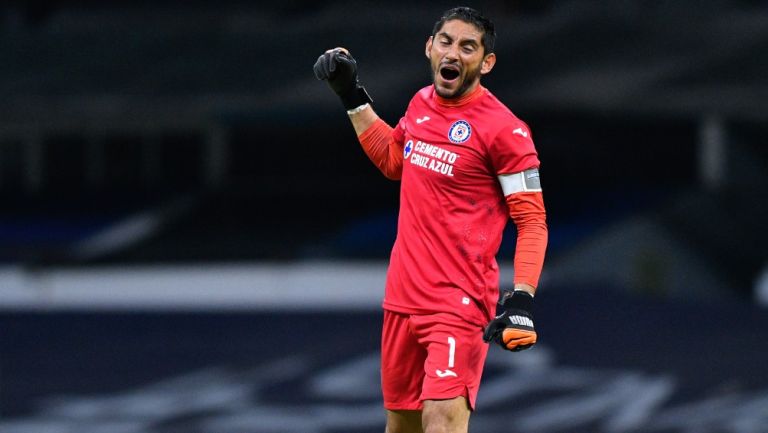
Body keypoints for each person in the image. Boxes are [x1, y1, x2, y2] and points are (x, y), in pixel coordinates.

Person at [314, 6, 547, 433]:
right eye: (446, 41)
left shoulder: (506, 131)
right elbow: (392, 159)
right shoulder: (421, 103)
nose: (453, 53)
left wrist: (522, 299)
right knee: (402, 427)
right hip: (402, 298)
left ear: (486, 62)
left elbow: (531, 221)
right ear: (429, 47)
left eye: (468, 46)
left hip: (458, 303)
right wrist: (350, 94)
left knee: (440, 420)